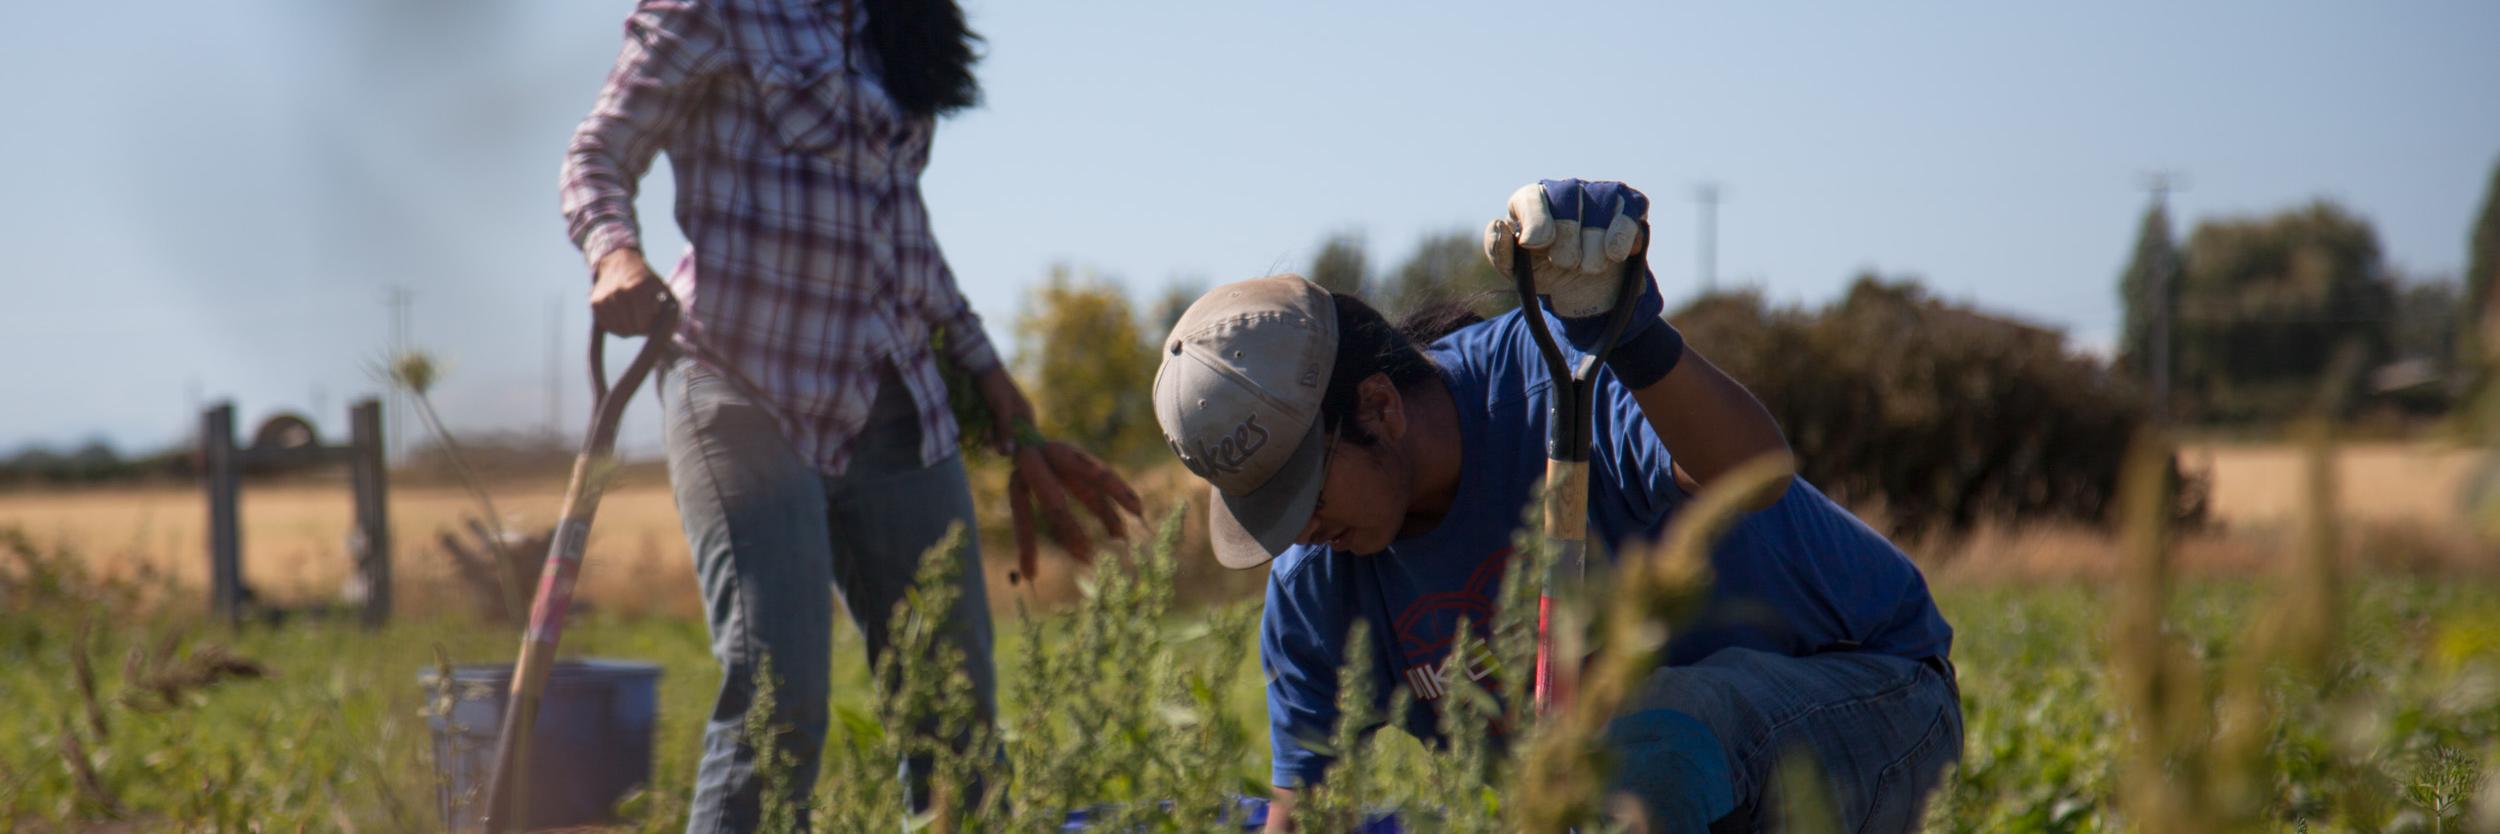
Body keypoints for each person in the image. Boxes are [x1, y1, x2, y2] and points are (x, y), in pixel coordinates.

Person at [1150, 180, 1961, 832]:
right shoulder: (1316, 577)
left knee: (1645, 746)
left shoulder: (1560, 382)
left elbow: (1755, 473)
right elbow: (1307, 809)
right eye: (1272, 514)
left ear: (1378, 408)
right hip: (1643, 793)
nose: (1303, 533)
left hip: (1870, 693)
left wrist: (1633, 334)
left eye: (1306, 492)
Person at [559, 1, 1139, 830]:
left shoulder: (893, 25)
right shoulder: (716, 12)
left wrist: (985, 365)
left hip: (897, 406)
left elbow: (901, 230)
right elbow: (595, 154)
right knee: (777, 698)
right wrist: (613, 251)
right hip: (741, 388)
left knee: (955, 714)